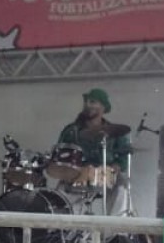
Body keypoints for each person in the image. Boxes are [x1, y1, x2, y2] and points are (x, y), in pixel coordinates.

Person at [56, 87, 133, 215]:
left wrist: (116, 167)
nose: (88, 105)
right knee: (59, 198)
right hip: (77, 173)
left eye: (93, 102)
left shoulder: (114, 131)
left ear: (103, 107)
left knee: (121, 186)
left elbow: (124, 156)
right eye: (86, 102)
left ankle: (116, 231)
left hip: (106, 173)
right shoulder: (71, 130)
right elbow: (61, 153)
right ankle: (64, 230)